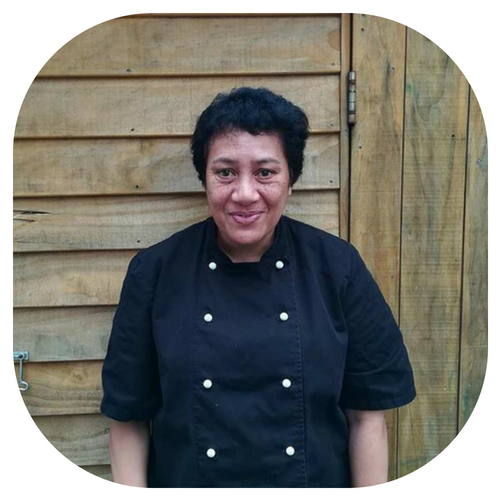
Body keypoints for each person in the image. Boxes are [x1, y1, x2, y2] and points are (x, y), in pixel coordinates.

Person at [101, 87, 416, 488]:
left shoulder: (338, 267)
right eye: (225, 172)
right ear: (204, 178)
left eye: (265, 172)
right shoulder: (154, 272)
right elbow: (128, 418)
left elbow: (367, 416)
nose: (245, 194)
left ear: (291, 179)